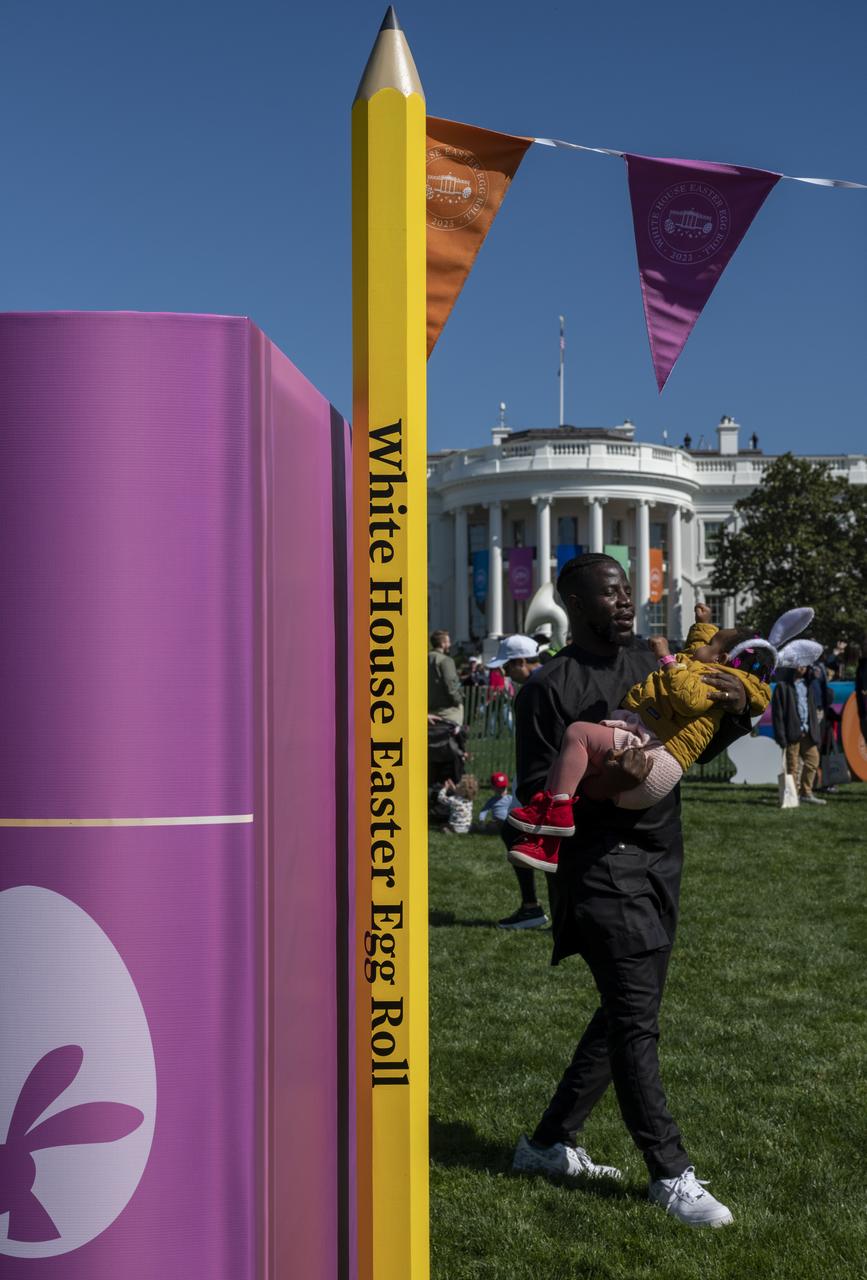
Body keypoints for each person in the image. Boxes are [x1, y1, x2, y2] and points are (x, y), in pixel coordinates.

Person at [510, 553, 752, 1228]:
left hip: (659, 861)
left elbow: (695, 744)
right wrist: (610, 779)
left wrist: (733, 705)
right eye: (608, 595)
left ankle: (547, 1144)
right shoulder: (546, 687)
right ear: (573, 604)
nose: (624, 604)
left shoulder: (655, 670)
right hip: (598, 870)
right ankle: (668, 1173)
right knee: (636, 1019)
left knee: (623, 1010)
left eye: (628, 594)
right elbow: (533, 797)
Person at [507, 603, 774, 872]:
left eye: (713, 640)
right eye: (610, 593)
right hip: (648, 767)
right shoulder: (703, 665)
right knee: (574, 773)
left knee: (578, 734)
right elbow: (698, 649)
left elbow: (687, 700)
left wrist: (666, 658)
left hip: (657, 759)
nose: (624, 600)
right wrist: (702, 624)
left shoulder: (712, 678)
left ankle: (556, 816)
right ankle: (546, 845)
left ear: (722, 660)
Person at [771, 665, 827, 805]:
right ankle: (793, 796)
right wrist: (781, 737)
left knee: (813, 760)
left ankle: (806, 793)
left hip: (808, 732)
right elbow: (777, 715)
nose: (802, 667)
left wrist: (814, 675)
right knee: (792, 767)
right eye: (799, 664)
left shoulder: (808, 684)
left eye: (805, 665)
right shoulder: (782, 687)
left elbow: (812, 709)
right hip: (792, 733)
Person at [428, 629, 464, 725]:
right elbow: (451, 685)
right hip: (448, 711)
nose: (450, 644)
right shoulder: (445, 660)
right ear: (443, 644)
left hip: (429, 711)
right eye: (448, 642)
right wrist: (458, 701)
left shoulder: (425, 658)